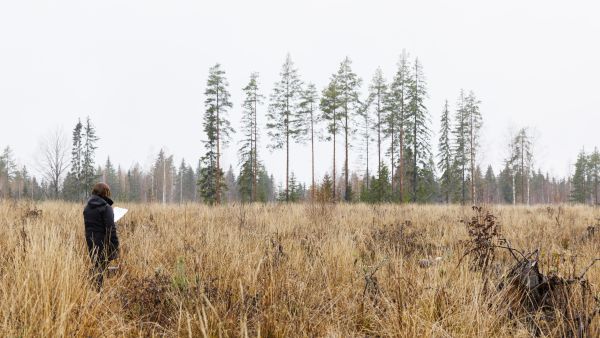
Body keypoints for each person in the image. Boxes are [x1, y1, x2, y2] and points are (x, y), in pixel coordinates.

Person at [83, 182, 120, 289]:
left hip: (90, 241)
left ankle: (93, 290)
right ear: (105, 193)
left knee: (96, 266)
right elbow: (110, 229)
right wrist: (115, 247)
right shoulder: (106, 208)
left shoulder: (87, 207)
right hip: (103, 243)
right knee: (101, 268)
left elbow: (90, 226)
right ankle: (97, 292)